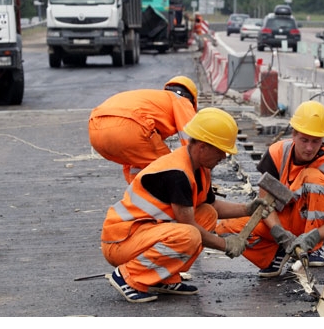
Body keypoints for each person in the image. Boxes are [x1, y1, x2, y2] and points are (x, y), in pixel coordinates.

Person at [101, 107, 273, 303]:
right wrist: (226, 245)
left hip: (142, 234)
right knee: (189, 234)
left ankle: (162, 277)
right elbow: (190, 226)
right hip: (120, 242)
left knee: (207, 213)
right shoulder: (177, 173)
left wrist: (247, 209)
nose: (223, 157)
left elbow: (212, 206)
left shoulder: (199, 168)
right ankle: (129, 276)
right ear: (202, 147)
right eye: (221, 151)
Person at [216, 100, 324, 277]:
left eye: (315, 142)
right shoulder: (276, 153)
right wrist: (280, 234)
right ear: (293, 134)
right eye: (304, 140)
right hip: (282, 219)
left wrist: (314, 238)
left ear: (323, 140)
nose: (309, 148)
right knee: (224, 230)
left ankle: (313, 250)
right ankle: (275, 255)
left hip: (310, 227)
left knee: (313, 177)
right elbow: (264, 205)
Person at [88, 76, 198, 184]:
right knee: (172, 168)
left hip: (95, 131)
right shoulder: (181, 100)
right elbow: (193, 142)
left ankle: (138, 195)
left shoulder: (154, 98)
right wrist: (201, 183)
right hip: (130, 128)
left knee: (141, 165)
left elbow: (131, 160)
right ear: (192, 100)